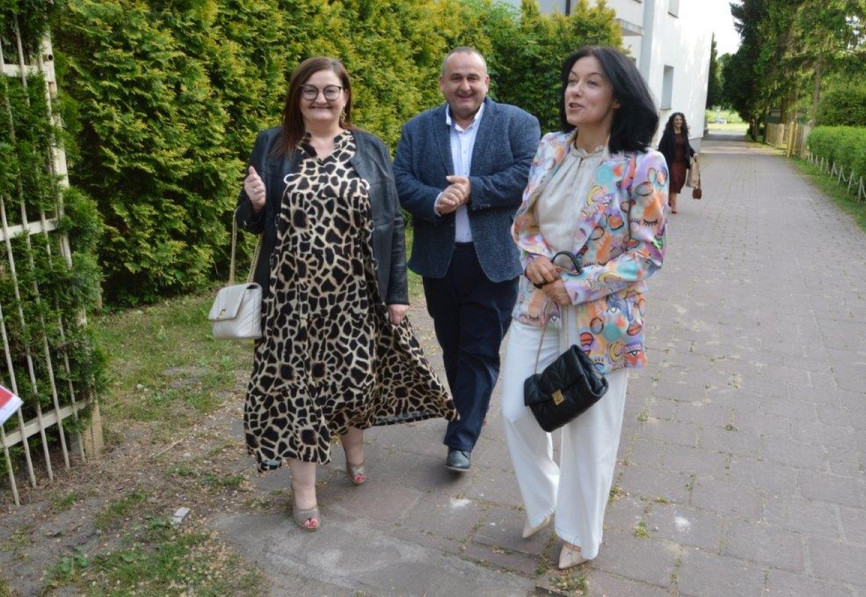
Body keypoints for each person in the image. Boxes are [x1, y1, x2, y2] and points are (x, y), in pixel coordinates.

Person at [236, 57, 455, 532]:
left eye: (330, 90)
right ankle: (304, 490)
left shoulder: (370, 148)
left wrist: (396, 293)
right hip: (289, 299)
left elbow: (391, 223)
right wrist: (254, 203)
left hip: (355, 293)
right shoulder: (272, 145)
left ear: (345, 96)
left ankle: (354, 446)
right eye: (310, 90)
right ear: (297, 97)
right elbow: (249, 221)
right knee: (297, 392)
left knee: (354, 380)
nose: (321, 99)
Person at [500, 46, 667, 570]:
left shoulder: (643, 164)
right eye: (573, 80)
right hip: (538, 305)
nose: (576, 91)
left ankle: (579, 535)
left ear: (618, 97)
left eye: (592, 83)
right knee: (516, 410)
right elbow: (525, 222)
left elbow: (648, 253)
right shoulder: (550, 147)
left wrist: (575, 286)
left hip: (603, 319)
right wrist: (533, 259)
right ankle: (547, 498)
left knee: (591, 433)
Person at [393, 47, 541, 472]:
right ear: (442, 83)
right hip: (440, 261)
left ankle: (461, 438)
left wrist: (473, 189)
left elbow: (528, 175)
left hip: (494, 260)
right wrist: (435, 199)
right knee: (453, 345)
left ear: (486, 82)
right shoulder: (418, 129)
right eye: (456, 78)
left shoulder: (517, 123)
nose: (465, 86)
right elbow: (400, 179)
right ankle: (468, 409)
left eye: (473, 78)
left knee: (480, 349)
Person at [657, 111, 695, 213]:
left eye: (680, 119)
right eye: (676, 119)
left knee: (680, 181)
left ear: (683, 121)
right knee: (674, 180)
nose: (678, 121)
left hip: (682, 162)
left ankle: (670, 198)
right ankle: (674, 205)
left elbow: (687, 146)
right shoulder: (668, 133)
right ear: (672, 121)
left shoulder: (684, 132)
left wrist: (694, 153)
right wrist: (659, 159)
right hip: (672, 161)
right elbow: (661, 147)